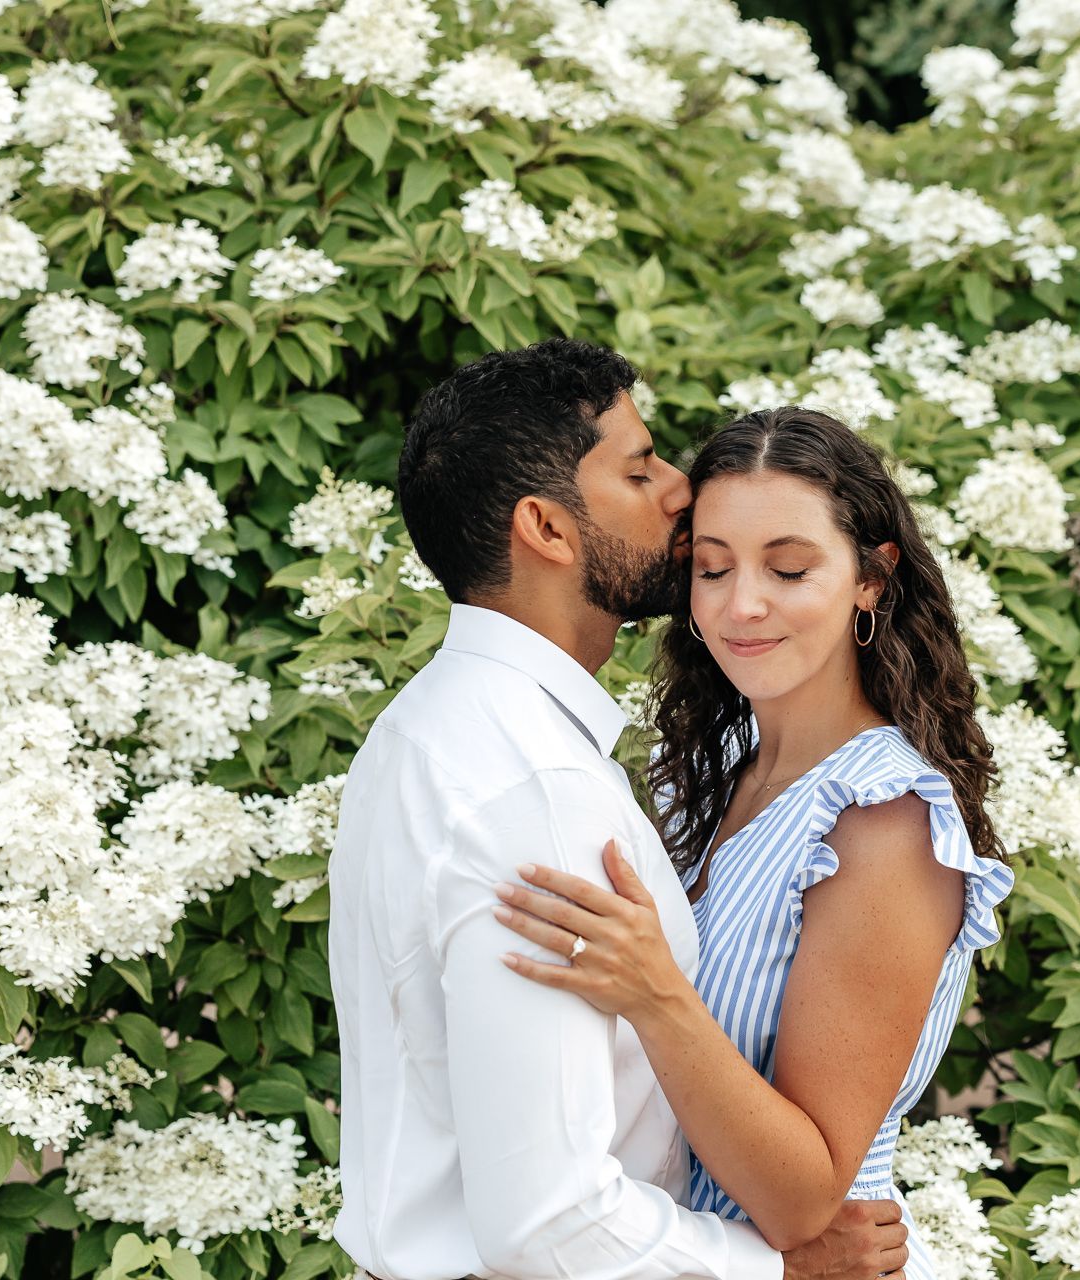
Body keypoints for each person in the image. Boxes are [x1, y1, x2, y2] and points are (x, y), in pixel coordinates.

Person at [327, 341, 909, 1280]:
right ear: (547, 530)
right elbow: (550, 1221)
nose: (681, 489)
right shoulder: (535, 791)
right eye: (639, 470)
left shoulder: (420, 732)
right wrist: (778, 1270)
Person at [489, 407, 1016, 1274]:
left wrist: (654, 994)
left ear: (871, 580)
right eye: (711, 568)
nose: (743, 605)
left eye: (790, 568)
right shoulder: (705, 766)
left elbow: (803, 1197)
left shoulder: (884, 824)